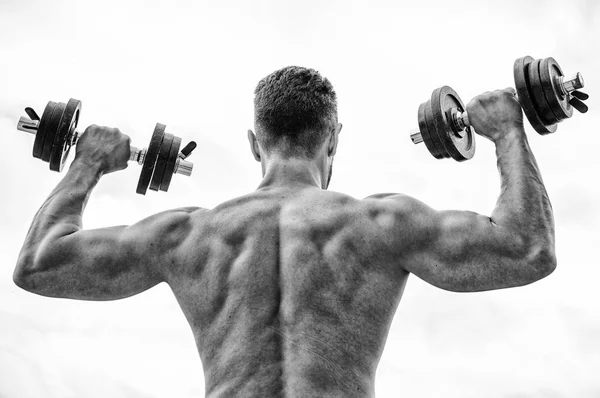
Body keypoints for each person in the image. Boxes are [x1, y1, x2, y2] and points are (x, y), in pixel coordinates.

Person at [13, 66, 556, 397]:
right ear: (334, 139)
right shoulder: (382, 224)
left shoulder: (187, 235)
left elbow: (39, 264)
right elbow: (527, 249)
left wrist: (86, 164)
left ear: (255, 143)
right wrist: (508, 130)